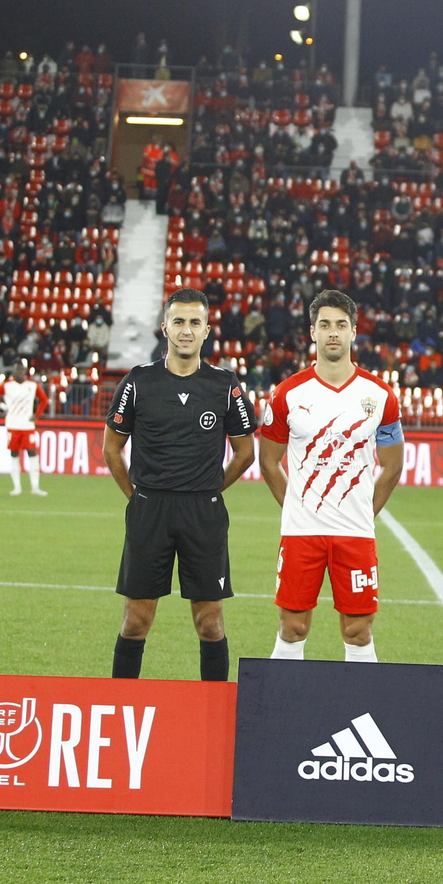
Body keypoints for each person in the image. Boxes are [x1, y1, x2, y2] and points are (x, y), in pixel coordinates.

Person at [102, 288, 258, 681]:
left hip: (202, 514)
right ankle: (121, 710)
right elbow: (111, 448)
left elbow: (245, 453)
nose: (186, 330)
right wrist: (136, 496)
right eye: (179, 321)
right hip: (149, 510)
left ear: (206, 330)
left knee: (210, 622)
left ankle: (213, 716)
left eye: (194, 322)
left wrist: (208, 490)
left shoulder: (225, 385)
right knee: (136, 620)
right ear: (165, 327)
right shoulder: (139, 381)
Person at [258, 290, 405, 663]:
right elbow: (268, 461)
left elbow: (392, 464)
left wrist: (365, 514)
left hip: (355, 532)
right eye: (325, 325)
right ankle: (281, 710)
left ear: (354, 332)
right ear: (312, 332)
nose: (333, 333)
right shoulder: (288, 393)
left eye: (341, 325)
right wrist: (296, 505)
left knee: (358, 631)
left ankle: (361, 709)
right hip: (301, 531)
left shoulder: (380, 395)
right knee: (292, 626)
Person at [0, 359, 50, 496]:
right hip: (13, 425)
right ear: (13, 372)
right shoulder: (7, 385)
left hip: (27, 425)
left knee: (32, 453)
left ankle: (35, 487)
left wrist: (37, 415)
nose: (20, 373)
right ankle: (17, 487)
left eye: (22, 370)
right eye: (17, 370)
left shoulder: (32, 385)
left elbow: (44, 400)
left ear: (25, 371)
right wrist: (2, 406)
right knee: (14, 454)